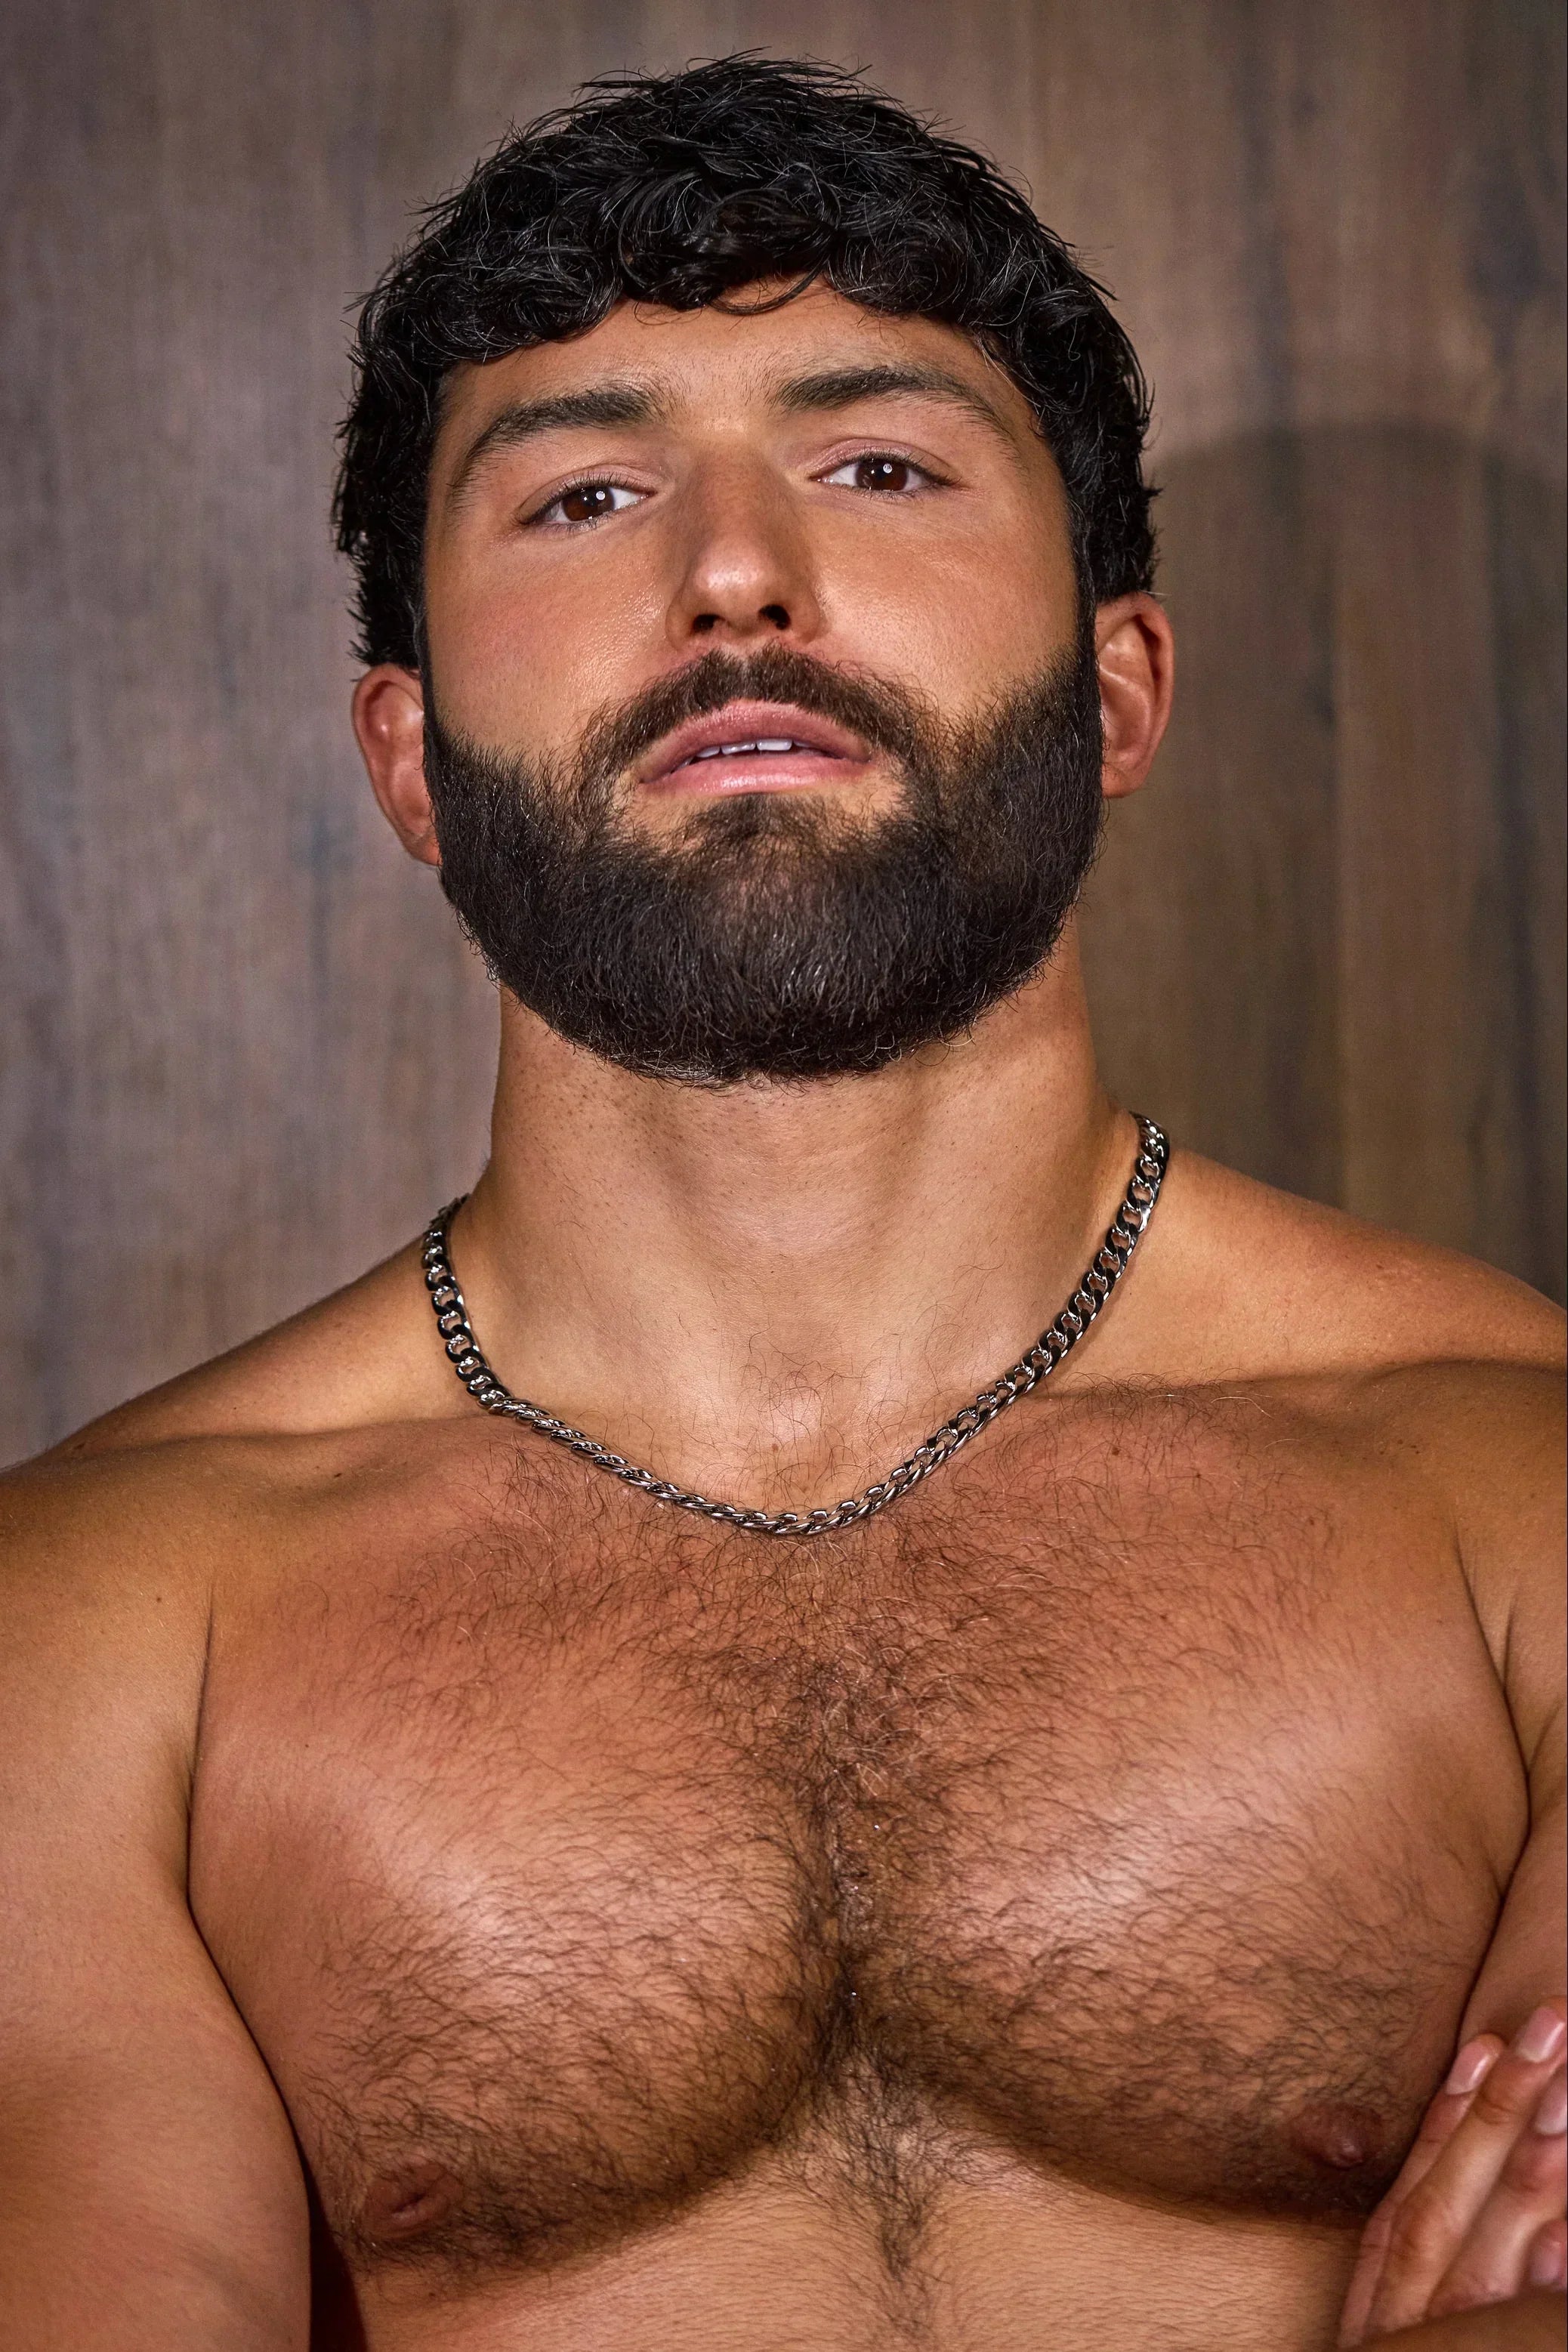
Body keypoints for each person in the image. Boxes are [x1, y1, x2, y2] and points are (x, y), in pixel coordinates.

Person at [1, 58, 1562, 2352]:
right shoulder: (93, 1636)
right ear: (410, 757)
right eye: (587, 492)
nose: (735, 571)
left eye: (874, 463)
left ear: (1118, 685)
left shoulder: (1520, 1496)